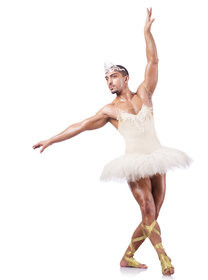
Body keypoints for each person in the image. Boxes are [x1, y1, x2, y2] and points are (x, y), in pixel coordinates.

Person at [32, 9, 189, 276]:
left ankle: (127, 257)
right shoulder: (109, 111)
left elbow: (154, 60)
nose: (109, 82)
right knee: (148, 209)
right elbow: (79, 126)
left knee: (153, 215)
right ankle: (164, 258)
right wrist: (52, 139)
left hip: (158, 157)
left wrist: (146, 33)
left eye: (113, 77)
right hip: (134, 164)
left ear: (125, 78)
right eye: (106, 79)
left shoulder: (145, 93)